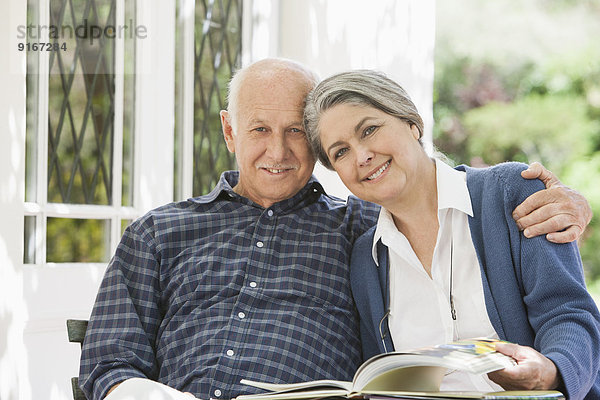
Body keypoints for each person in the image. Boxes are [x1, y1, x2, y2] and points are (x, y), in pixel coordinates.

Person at [79, 58, 593, 400]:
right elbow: (108, 361)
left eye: (296, 134)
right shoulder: (158, 233)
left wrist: (573, 203)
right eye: (259, 129)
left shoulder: (360, 228)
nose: (277, 152)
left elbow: (565, 308)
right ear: (230, 131)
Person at [303, 69, 600, 400]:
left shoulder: (510, 193)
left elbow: (569, 314)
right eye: (340, 151)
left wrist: (553, 371)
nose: (361, 156)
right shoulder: (366, 260)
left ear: (411, 123)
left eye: (369, 130)